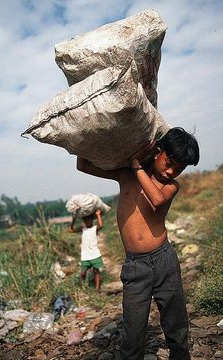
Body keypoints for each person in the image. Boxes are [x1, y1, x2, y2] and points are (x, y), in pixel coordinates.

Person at [76, 127, 200, 360]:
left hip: (164, 261)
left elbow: (155, 199)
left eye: (179, 169)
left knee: (176, 327)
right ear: (157, 152)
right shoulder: (126, 176)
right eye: (169, 162)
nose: (172, 171)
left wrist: (136, 165)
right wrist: (87, 136)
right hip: (136, 267)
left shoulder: (170, 186)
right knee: (132, 334)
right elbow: (83, 166)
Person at [68, 209, 104, 291]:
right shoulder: (82, 229)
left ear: (92, 220)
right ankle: (82, 288)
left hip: (95, 254)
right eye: (85, 220)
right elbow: (70, 230)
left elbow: (101, 225)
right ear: (83, 221)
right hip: (85, 255)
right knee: (83, 273)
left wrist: (98, 215)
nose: (87, 222)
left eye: (89, 219)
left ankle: (97, 289)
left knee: (96, 271)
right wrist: (74, 219)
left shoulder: (94, 228)